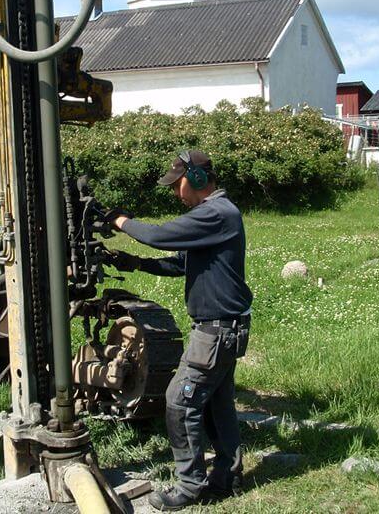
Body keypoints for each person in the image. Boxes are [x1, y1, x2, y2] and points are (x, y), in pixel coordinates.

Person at [108, 149, 253, 511]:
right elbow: (178, 265)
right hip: (222, 329)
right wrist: (135, 264)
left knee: (178, 401)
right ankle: (227, 477)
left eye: (178, 184)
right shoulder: (214, 218)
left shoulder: (216, 213)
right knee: (215, 405)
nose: (176, 193)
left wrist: (119, 220)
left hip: (216, 331)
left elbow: (158, 236)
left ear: (198, 179)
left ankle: (190, 487)